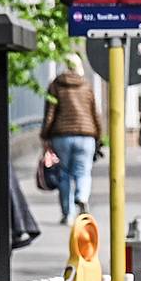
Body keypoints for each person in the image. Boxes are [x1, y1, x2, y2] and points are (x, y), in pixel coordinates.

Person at [40, 66, 103, 225]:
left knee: (64, 174)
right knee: (83, 171)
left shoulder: (55, 85)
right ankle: (82, 197)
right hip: (86, 135)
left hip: (61, 136)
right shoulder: (86, 85)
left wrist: (45, 135)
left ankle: (68, 214)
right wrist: (98, 135)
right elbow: (95, 113)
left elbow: (50, 114)